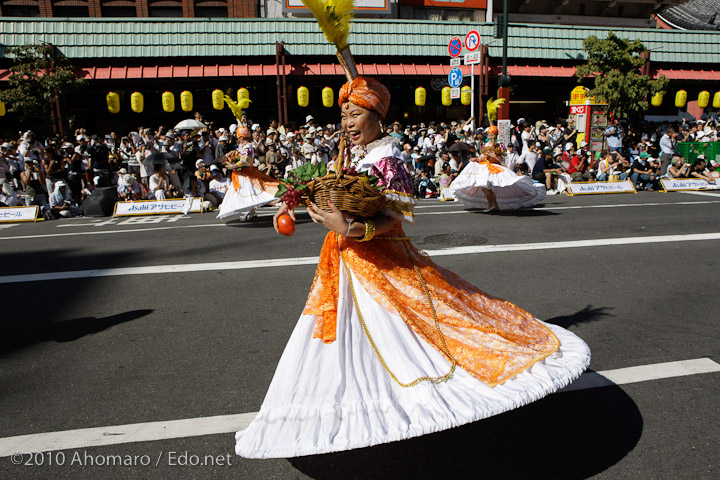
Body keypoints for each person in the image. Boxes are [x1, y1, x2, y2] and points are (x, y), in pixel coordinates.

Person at [235, 74, 589, 459]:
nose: (348, 123)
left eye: (355, 115)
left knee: (401, 333)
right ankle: (341, 401)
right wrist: (290, 200)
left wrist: (352, 227)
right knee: (342, 329)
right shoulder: (349, 154)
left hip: (383, 257)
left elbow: (395, 217)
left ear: (377, 116)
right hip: (344, 259)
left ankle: (388, 400)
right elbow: (320, 182)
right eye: (345, 115)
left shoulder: (390, 158)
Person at [216, 126, 280, 221]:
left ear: (242, 137)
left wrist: (233, 166)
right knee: (245, 193)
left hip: (246, 173)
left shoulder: (248, 147)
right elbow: (237, 153)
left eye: (239, 137)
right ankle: (251, 211)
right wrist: (230, 155)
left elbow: (245, 160)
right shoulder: (242, 146)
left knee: (250, 193)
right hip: (240, 174)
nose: (238, 139)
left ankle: (274, 201)